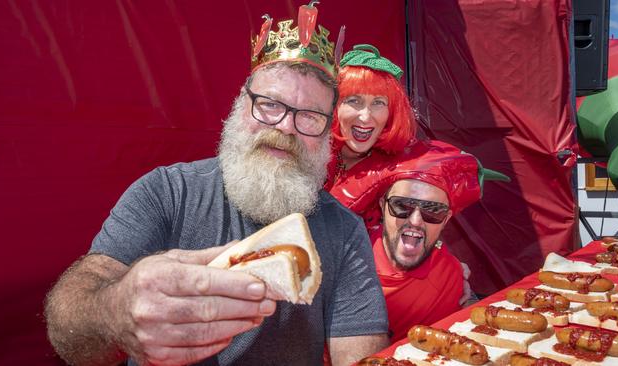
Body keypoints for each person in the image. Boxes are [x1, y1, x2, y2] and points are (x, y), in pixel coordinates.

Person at [43, 7, 389, 366]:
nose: (286, 127)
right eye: (269, 105)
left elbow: (360, 354)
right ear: (241, 107)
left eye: (310, 117)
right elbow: (70, 325)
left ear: (326, 134)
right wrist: (116, 309)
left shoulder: (344, 231)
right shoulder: (167, 193)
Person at [337, 139, 509, 342]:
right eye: (402, 206)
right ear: (383, 206)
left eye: (433, 210)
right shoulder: (343, 265)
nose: (415, 221)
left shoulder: (449, 274)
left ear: (446, 219)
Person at [324, 44, 424, 190]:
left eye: (378, 102)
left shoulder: (403, 175)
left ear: (393, 111)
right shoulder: (310, 153)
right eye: (354, 101)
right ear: (333, 107)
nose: (365, 117)